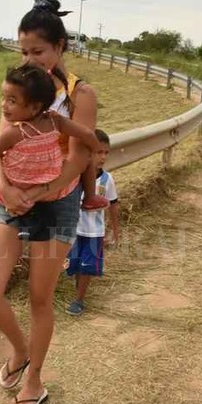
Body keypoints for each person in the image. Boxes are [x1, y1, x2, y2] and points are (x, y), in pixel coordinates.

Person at [0, 0, 102, 404]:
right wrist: (5, 188)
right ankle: (20, 349)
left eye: (38, 51)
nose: (30, 59)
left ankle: (34, 381)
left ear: (60, 46)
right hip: (14, 199)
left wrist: (49, 189)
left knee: (39, 297)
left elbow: (80, 155)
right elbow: (3, 145)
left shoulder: (80, 94)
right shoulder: (19, 89)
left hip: (57, 203)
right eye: (23, 51)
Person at [0, 63, 104, 234]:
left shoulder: (14, 133)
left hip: (20, 191)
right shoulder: (56, 121)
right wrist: (96, 150)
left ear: (35, 107)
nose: (3, 105)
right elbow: (87, 134)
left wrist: (1, 145)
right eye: (3, 98)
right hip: (52, 190)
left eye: (12, 101)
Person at [65, 129, 121, 315]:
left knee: (87, 266)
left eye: (106, 152)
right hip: (74, 230)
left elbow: (113, 205)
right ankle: (78, 289)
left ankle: (79, 300)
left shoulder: (107, 180)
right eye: (99, 152)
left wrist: (115, 231)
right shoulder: (74, 177)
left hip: (94, 232)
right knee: (74, 263)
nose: (103, 157)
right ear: (88, 152)